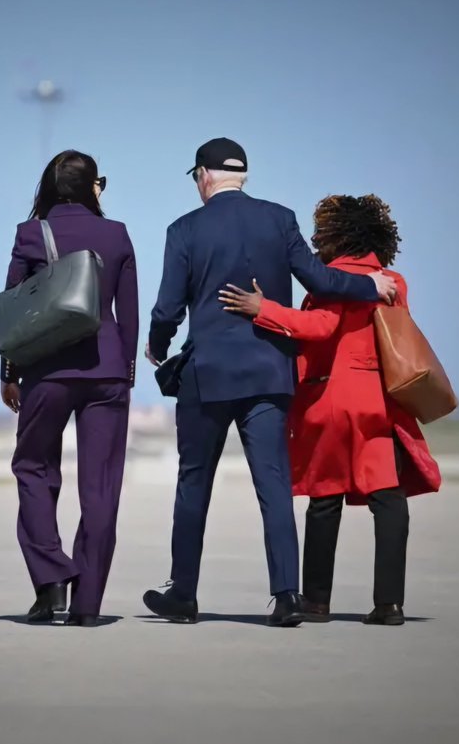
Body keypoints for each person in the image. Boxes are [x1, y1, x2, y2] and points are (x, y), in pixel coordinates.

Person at [141, 138, 398, 627]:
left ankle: (184, 593)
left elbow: (168, 307)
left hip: (207, 377)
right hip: (268, 374)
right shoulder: (280, 219)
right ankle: (286, 596)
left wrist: (158, 343)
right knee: (273, 486)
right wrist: (370, 285)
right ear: (243, 175)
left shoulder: (184, 229)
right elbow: (320, 280)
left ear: (202, 176)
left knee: (194, 482)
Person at [219, 193, 442, 626]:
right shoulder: (392, 280)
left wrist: (261, 309)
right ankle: (389, 604)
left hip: (332, 401)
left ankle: (317, 601)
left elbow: (321, 327)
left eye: (321, 232)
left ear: (339, 235)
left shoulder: (330, 279)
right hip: (379, 402)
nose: (314, 239)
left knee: (325, 500)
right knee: (388, 499)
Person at [0, 149, 139, 627]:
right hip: (106, 371)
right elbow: (129, 313)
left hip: (48, 372)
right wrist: (125, 375)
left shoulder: (30, 233)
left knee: (33, 468)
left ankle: (51, 576)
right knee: (100, 487)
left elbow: (14, 308)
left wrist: (9, 373)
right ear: (93, 185)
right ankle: (88, 605)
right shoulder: (116, 233)